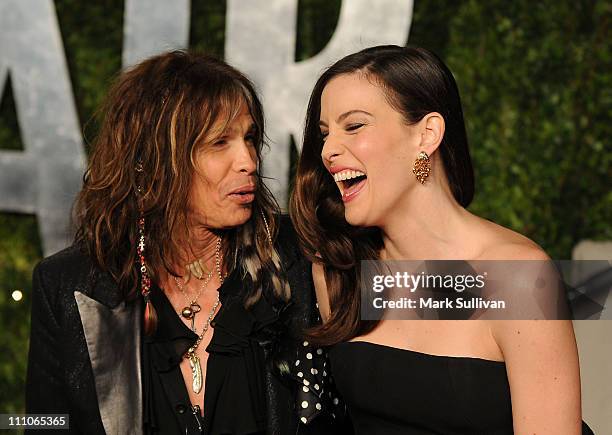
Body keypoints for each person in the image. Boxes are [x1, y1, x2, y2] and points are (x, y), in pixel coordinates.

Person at [26, 50, 339, 435]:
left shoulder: (303, 253)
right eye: (219, 142)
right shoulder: (68, 285)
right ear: (151, 159)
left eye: (250, 138)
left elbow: (429, 297)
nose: (248, 160)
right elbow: (44, 423)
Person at [290, 45, 593, 434]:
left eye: (354, 126)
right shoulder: (342, 270)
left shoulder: (517, 277)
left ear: (427, 134)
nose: (328, 150)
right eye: (325, 133)